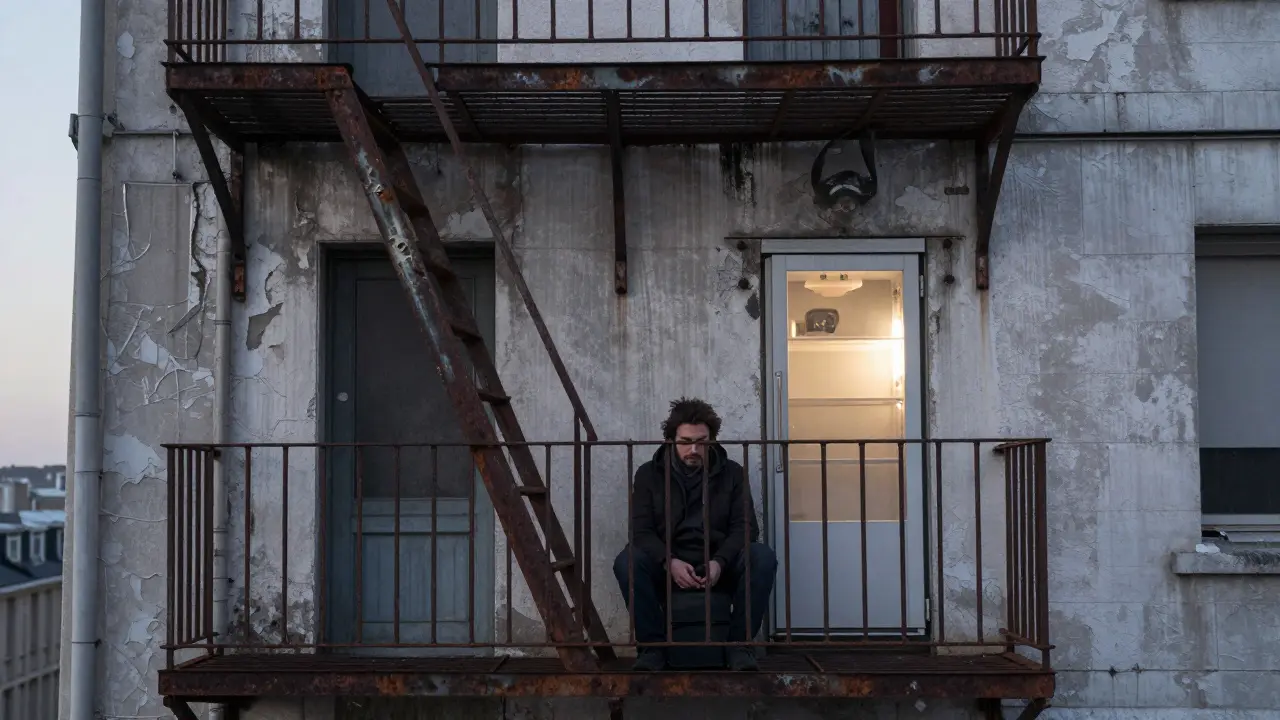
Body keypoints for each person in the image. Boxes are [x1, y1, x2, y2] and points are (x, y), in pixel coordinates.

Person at [613, 398, 778, 671]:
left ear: (711, 440)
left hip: (720, 563)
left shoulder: (732, 473)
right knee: (627, 561)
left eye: (702, 442)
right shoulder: (648, 474)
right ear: (670, 441)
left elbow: (746, 527)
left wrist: (720, 562)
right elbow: (641, 531)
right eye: (685, 442)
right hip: (668, 565)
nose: (694, 449)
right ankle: (653, 650)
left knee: (762, 557)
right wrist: (669, 562)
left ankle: (740, 647)